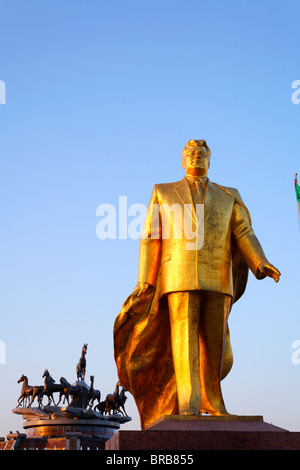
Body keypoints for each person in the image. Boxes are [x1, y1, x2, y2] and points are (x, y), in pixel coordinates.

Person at [114, 139, 280, 429]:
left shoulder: (229, 195)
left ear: (210, 160)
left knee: (213, 344)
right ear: (182, 160)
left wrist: (259, 261)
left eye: (202, 153)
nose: (196, 156)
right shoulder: (163, 192)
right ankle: (188, 405)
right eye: (191, 153)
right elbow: (151, 237)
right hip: (178, 277)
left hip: (219, 276)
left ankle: (214, 403)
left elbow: (243, 231)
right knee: (184, 339)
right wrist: (145, 281)